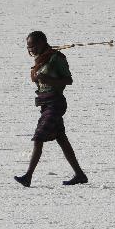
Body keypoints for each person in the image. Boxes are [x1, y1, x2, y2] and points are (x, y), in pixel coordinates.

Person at [15, 31, 88, 187]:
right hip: (45, 104)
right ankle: (80, 174)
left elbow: (68, 80)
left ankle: (28, 177)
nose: (31, 49)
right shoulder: (42, 59)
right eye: (28, 47)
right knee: (62, 139)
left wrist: (46, 79)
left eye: (33, 46)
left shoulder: (56, 58)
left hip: (55, 103)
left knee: (39, 137)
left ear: (42, 43)